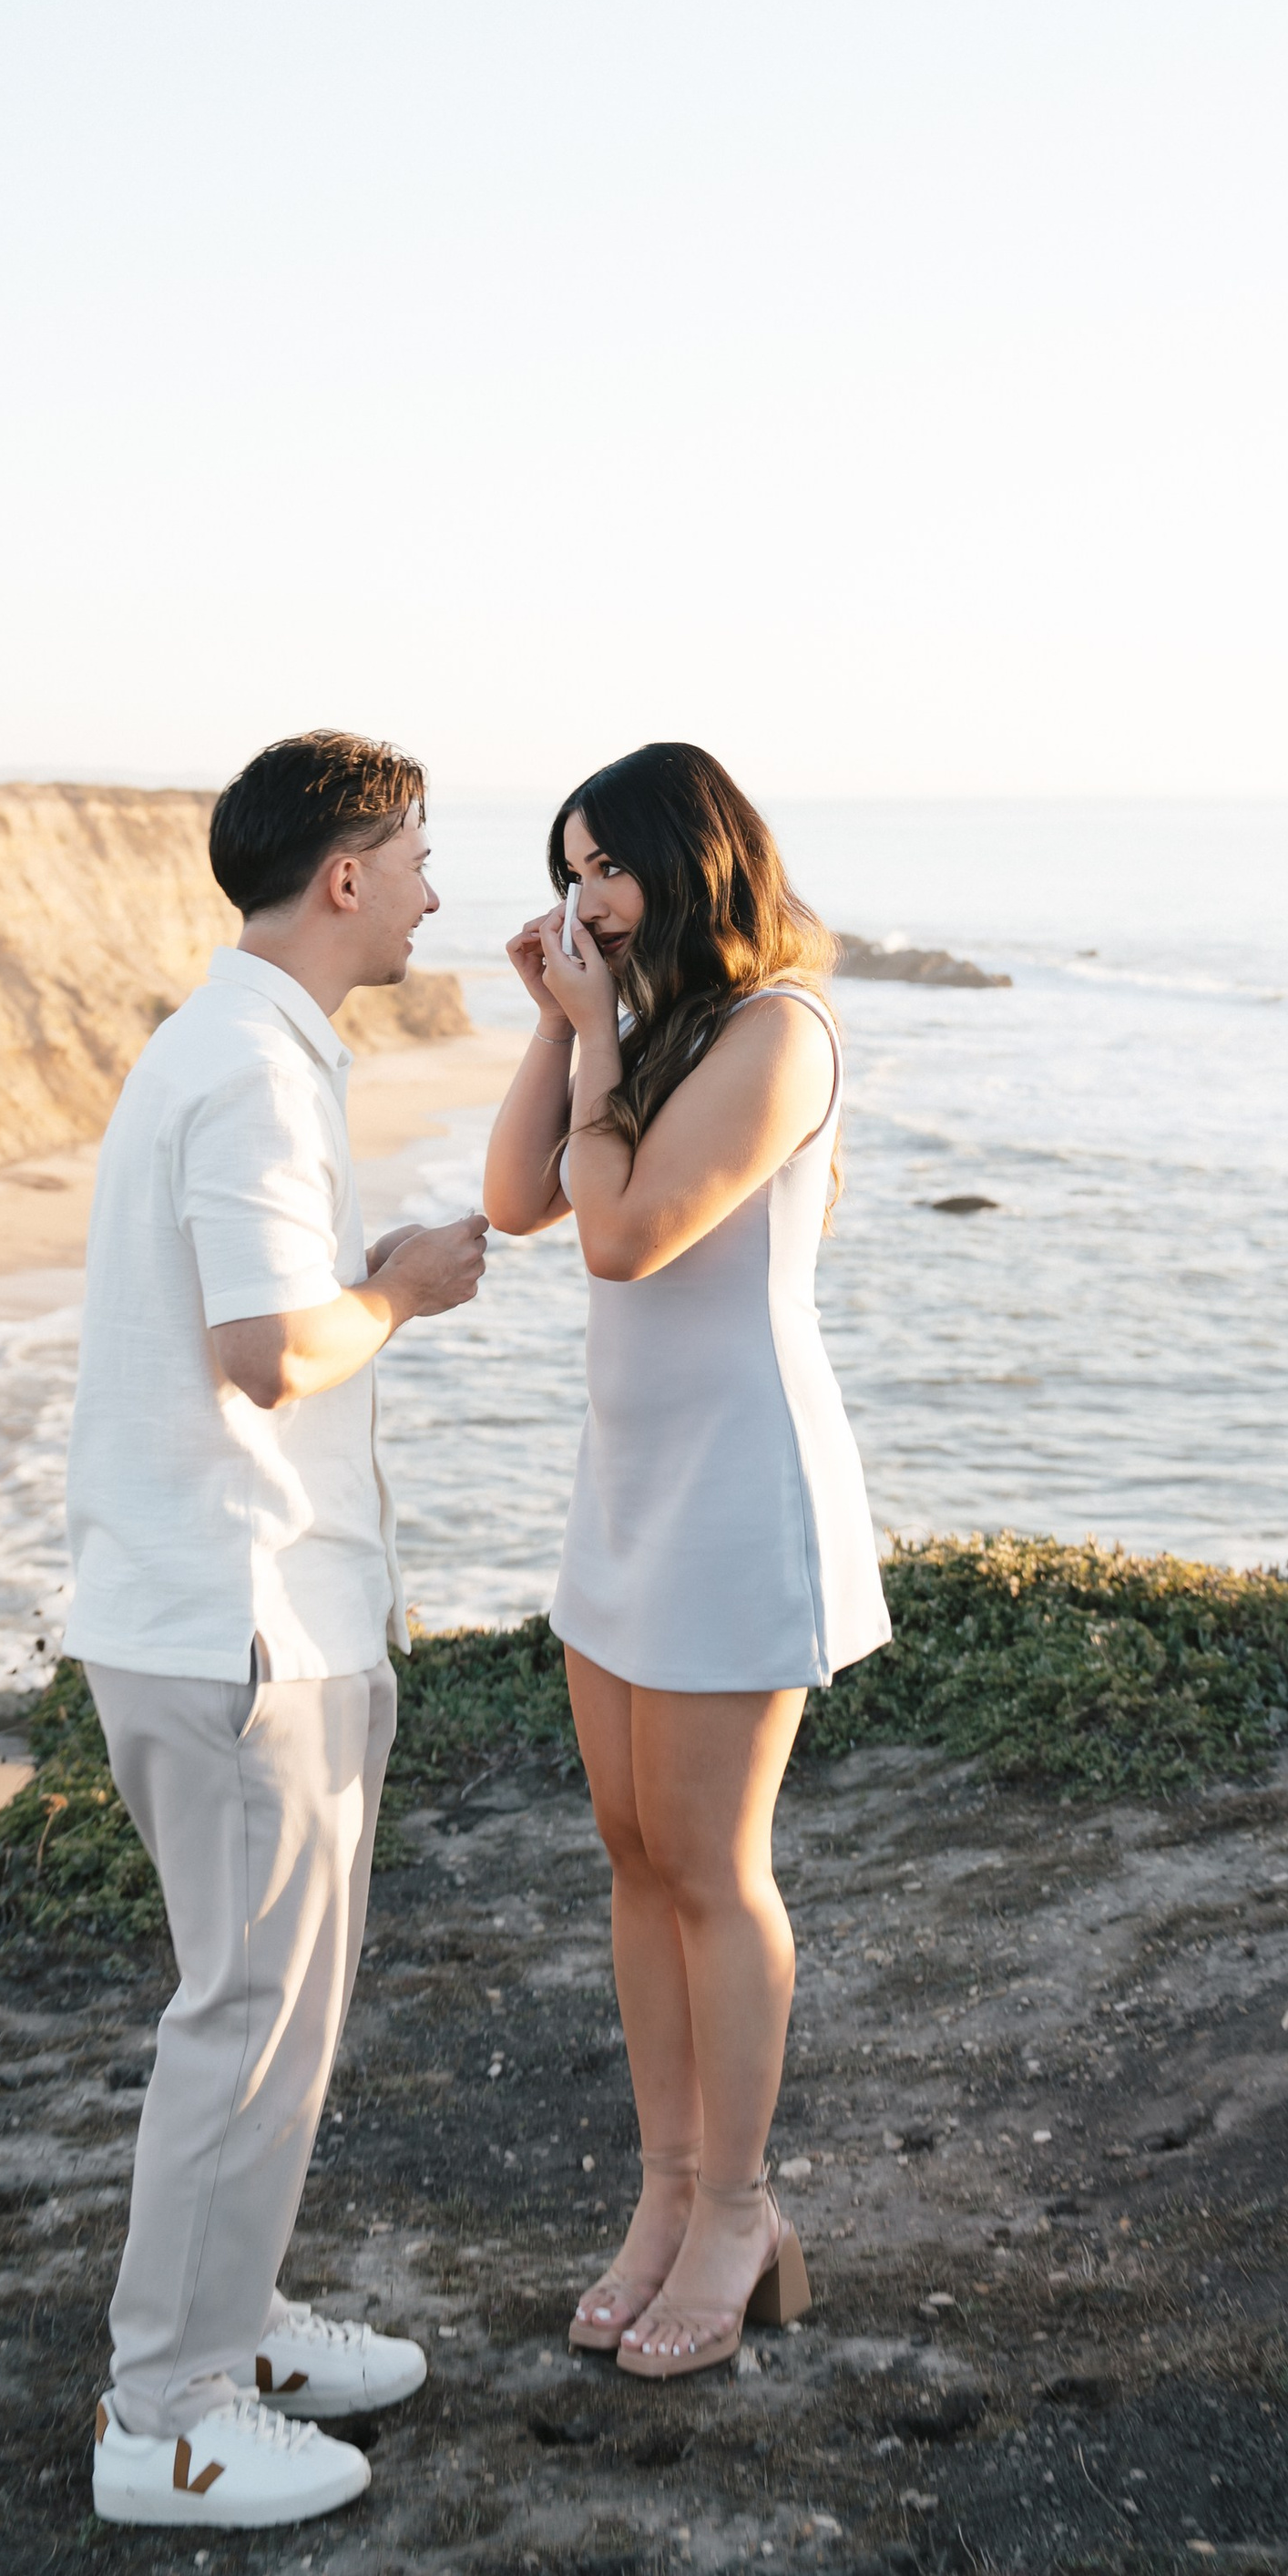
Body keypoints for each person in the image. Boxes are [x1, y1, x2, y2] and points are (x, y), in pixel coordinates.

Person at [65, 732, 489, 2530]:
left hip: (230, 1615)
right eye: (412, 857)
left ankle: (228, 2330)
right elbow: (265, 1353)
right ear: (341, 873)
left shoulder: (240, 1044)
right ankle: (166, 2418)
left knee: (275, 2015)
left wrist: (354, 1286)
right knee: (247, 2017)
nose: (429, 889)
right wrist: (398, 1289)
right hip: (237, 1629)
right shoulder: (246, 1066)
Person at [483, 740, 889, 2379]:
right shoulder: (635, 1024)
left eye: (609, 867)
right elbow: (520, 1196)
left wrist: (596, 1044)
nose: (586, 898)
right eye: (568, 869)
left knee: (716, 1865)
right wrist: (555, 1022)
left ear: (688, 856)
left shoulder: (778, 1030)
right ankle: (662, 2192)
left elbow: (626, 1232)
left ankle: (739, 2208)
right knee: (632, 1845)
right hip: (627, 1484)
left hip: (739, 1486)